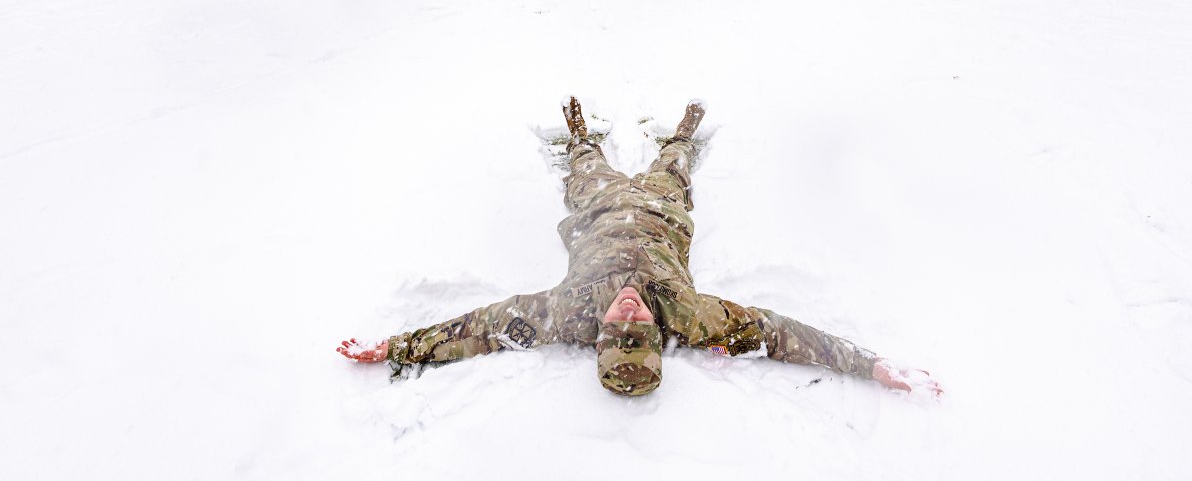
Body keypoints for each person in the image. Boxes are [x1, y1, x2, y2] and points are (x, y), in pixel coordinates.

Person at [339, 99, 942, 399]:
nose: (627, 312)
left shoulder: (567, 314)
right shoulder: (689, 315)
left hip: (599, 207)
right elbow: (782, 335)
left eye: (616, 327)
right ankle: (682, 133)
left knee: (587, 165)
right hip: (659, 207)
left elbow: (479, 327)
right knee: (674, 164)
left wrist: (398, 346)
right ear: (657, 334)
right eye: (639, 326)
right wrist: (871, 365)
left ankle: (578, 134)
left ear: (596, 334)